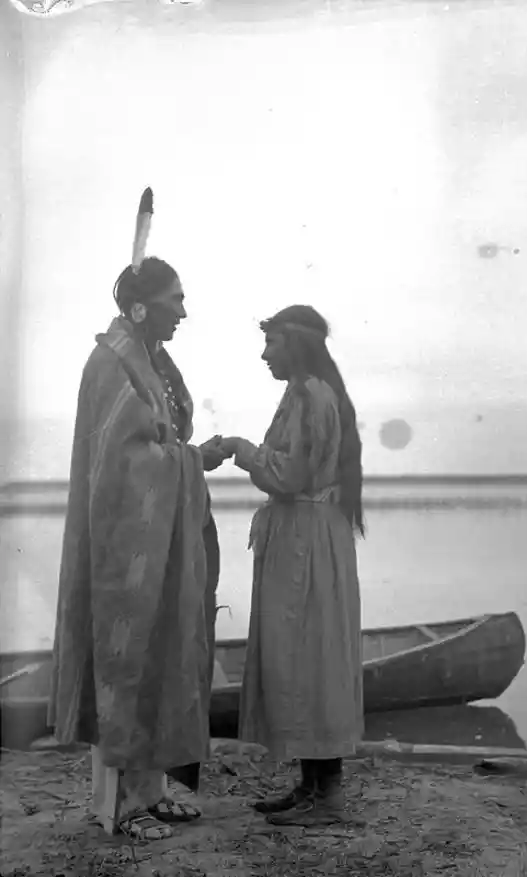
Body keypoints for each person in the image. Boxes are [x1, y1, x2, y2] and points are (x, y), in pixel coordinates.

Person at [48, 189, 230, 842]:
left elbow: (158, 439)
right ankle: (116, 807)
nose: (185, 310)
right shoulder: (112, 365)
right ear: (142, 305)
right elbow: (125, 463)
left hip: (156, 546)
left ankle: (149, 790)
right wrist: (191, 459)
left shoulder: (143, 362)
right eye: (176, 299)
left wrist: (183, 456)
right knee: (126, 664)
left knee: (159, 659)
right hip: (125, 551)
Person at [215, 304, 364, 827]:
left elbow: (289, 474)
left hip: (306, 541)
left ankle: (328, 797)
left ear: (295, 345)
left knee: (311, 659)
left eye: (272, 343)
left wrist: (239, 448)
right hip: (306, 537)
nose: (264, 353)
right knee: (305, 658)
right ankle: (311, 786)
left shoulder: (309, 395)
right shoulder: (310, 392)